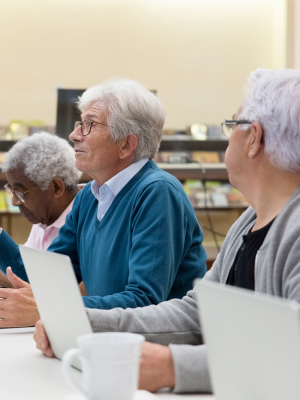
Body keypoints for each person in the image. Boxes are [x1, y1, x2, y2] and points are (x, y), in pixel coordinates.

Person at [34, 68, 300, 393]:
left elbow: (292, 353)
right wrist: (88, 323)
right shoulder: (248, 221)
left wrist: (172, 367)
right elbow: (195, 313)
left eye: (233, 125)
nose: (76, 135)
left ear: (255, 138)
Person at [1, 78, 207, 327]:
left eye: (89, 125)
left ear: (126, 144)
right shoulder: (88, 196)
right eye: (80, 123)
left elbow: (145, 303)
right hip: (107, 344)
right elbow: (43, 280)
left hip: (157, 354)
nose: (74, 135)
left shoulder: (157, 192)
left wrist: (49, 308)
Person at [0, 132, 84, 325]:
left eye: (20, 193)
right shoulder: (44, 219)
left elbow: (42, 287)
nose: (14, 201)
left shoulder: (86, 219)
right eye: (11, 190)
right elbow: (26, 275)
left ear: (56, 187)